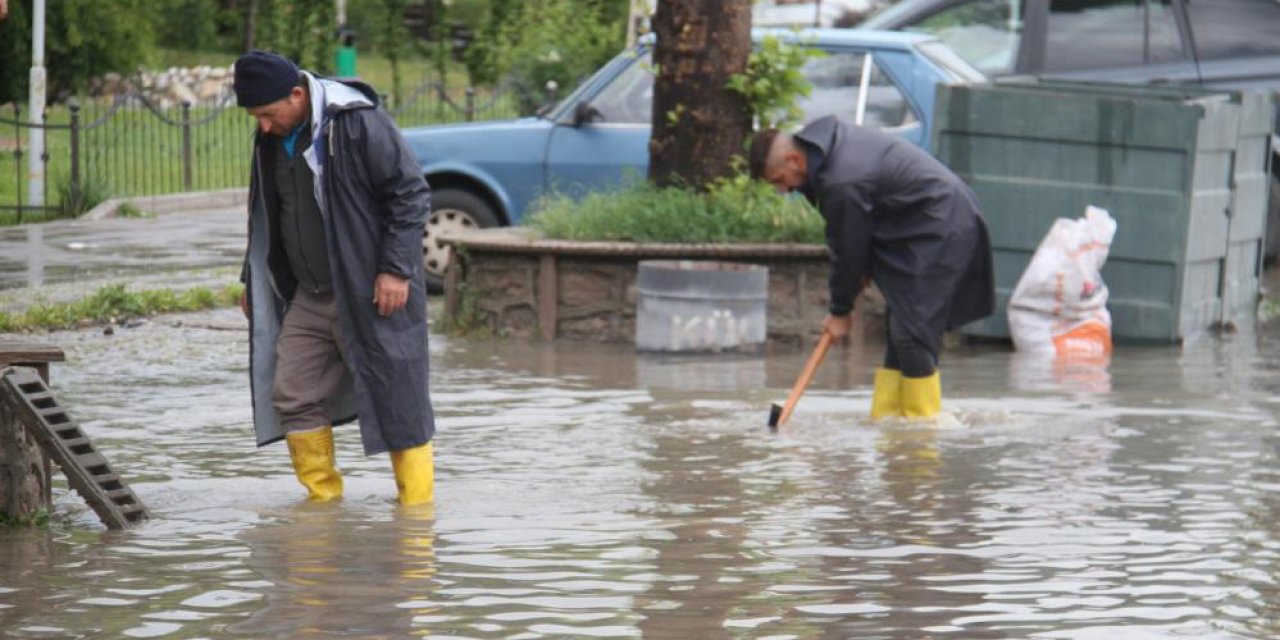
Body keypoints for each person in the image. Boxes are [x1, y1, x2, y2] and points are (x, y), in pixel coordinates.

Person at [233, 50, 435, 504]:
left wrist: (396, 270)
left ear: (298, 94)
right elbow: (266, 213)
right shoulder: (271, 138)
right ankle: (323, 513)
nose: (263, 125)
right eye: (255, 117)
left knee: (396, 403)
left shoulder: (358, 122)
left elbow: (410, 194)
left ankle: (417, 525)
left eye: (268, 113)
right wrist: (253, 277)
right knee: (292, 394)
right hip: (310, 293)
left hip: (371, 290)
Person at [749, 115, 995, 418]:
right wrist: (860, 273)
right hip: (913, 225)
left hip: (940, 224)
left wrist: (840, 311)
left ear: (793, 159)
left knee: (911, 331)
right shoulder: (825, 150)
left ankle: (923, 428)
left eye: (778, 180)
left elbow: (848, 245)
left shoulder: (841, 179)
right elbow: (856, 230)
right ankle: (888, 421)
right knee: (900, 331)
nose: (782, 190)